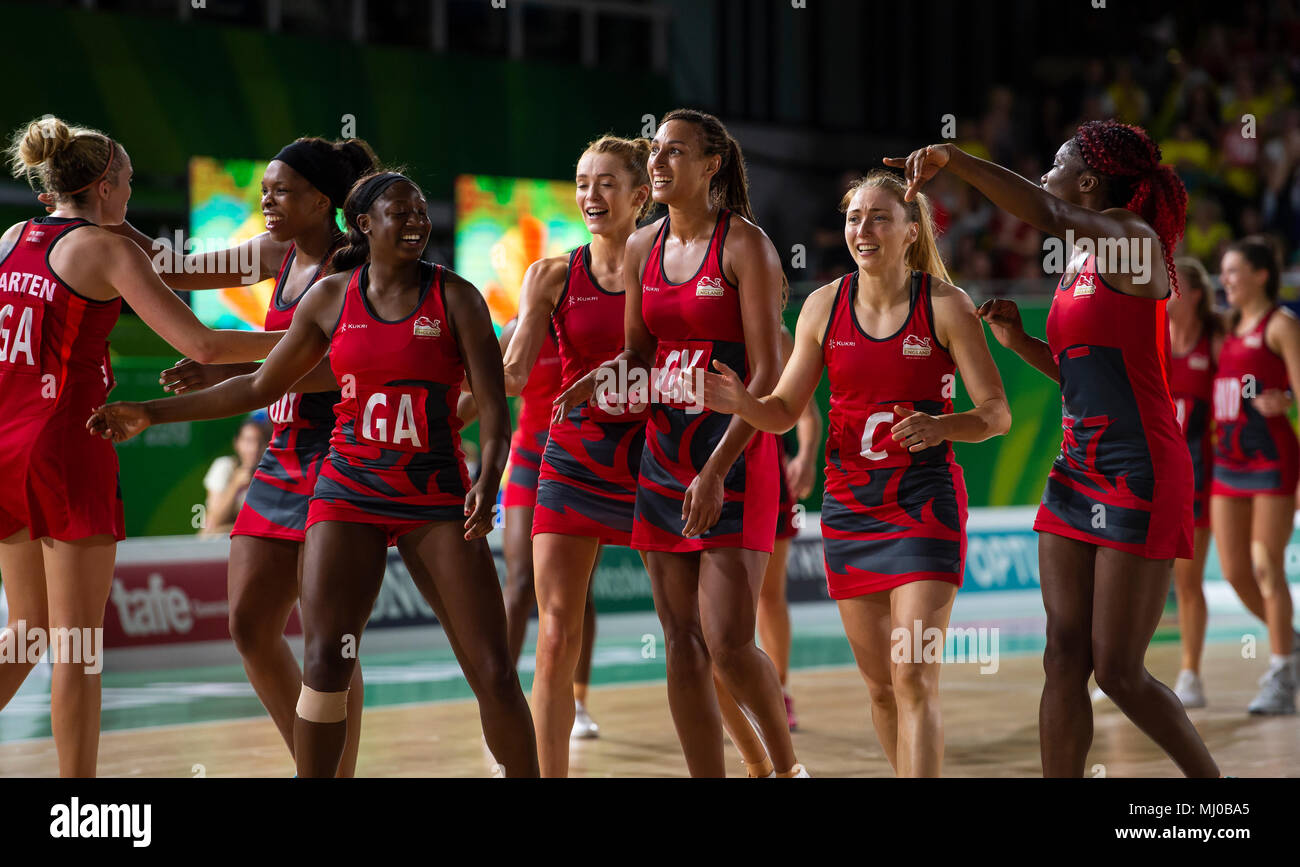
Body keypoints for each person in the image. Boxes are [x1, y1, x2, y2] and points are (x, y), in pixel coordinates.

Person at [89, 171, 539, 777]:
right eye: (399, 213)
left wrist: (489, 476)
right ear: (363, 225)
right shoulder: (330, 298)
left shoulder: (457, 297)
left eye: (420, 213)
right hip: (348, 489)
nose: (415, 223)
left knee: (492, 670)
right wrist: (150, 411)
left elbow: (493, 406)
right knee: (326, 658)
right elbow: (258, 384)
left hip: (432, 493)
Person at [890, 120, 1220, 776]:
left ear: (1089, 182)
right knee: (1063, 655)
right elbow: (1086, 373)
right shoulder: (1082, 260)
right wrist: (1020, 345)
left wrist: (957, 160)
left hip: (1139, 468)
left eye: (1056, 165)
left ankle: (1217, 792)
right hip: (1076, 466)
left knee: (1119, 671)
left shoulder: (1135, 241)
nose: (1045, 175)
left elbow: (1044, 208)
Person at [0, 115, 282, 776]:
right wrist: (311, 343)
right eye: (126, 184)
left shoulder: (14, 236)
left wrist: (250, 261)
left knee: (29, 628)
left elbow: (159, 261)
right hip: (67, 444)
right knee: (76, 645)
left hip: (5, 447)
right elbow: (203, 345)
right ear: (104, 187)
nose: (131, 199)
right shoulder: (105, 251)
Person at [703, 170, 1010, 776]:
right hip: (851, 513)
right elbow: (786, 411)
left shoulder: (946, 307)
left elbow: (996, 414)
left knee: (914, 677)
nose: (862, 230)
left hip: (924, 509)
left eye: (878, 218)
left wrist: (943, 427)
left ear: (909, 230)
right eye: (853, 218)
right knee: (880, 690)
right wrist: (745, 404)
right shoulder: (823, 305)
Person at [112, 136, 378, 775]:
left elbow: (322, 361)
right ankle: (316, 765)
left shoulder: (351, 269)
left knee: (328, 640)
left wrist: (225, 358)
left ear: (321, 201)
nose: (266, 200)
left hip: (336, 453)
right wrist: (100, 210)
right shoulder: (276, 251)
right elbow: (175, 267)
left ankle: (330, 773)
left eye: (281, 191)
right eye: (264, 189)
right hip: (283, 453)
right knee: (250, 625)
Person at [556, 110, 805, 777]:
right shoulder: (643, 248)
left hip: (735, 457)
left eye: (674, 151)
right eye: (655, 151)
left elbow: (766, 371)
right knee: (681, 643)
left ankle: (787, 768)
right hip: (663, 460)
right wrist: (601, 378)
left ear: (711, 164)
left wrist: (718, 466)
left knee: (726, 640)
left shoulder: (745, 245)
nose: (659, 161)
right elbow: (640, 351)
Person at [508, 135, 652, 775]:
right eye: (583, 181)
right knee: (556, 628)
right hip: (572, 461)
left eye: (607, 182)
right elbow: (512, 374)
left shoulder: (674, 270)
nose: (591, 195)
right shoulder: (551, 275)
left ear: (640, 195)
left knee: (697, 635)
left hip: (658, 460)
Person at [460, 316, 601, 742]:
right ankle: (500, 698)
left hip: (579, 459)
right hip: (527, 459)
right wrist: (445, 420)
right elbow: (489, 393)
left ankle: (576, 702)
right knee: (519, 581)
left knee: (579, 591)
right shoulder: (516, 330)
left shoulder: (584, 325)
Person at [1211, 238, 1300, 714]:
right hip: (1227, 462)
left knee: (1267, 563)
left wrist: (1285, 399)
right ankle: (1293, 644)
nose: (1224, 280)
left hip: (1272, 460)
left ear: (1261, 275)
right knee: (1235, 573)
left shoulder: (1281, 325)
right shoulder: (1224, 326)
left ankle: (1282, 672)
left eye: (1232, 271)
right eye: (1222, 272)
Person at [200, 416, 272, 538]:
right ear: (237, 443)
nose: (254, 448)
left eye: (259, 442)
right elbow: (213, 522)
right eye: (248, 441)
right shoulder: (223, 466)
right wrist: (235, 484)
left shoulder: (270, 474)